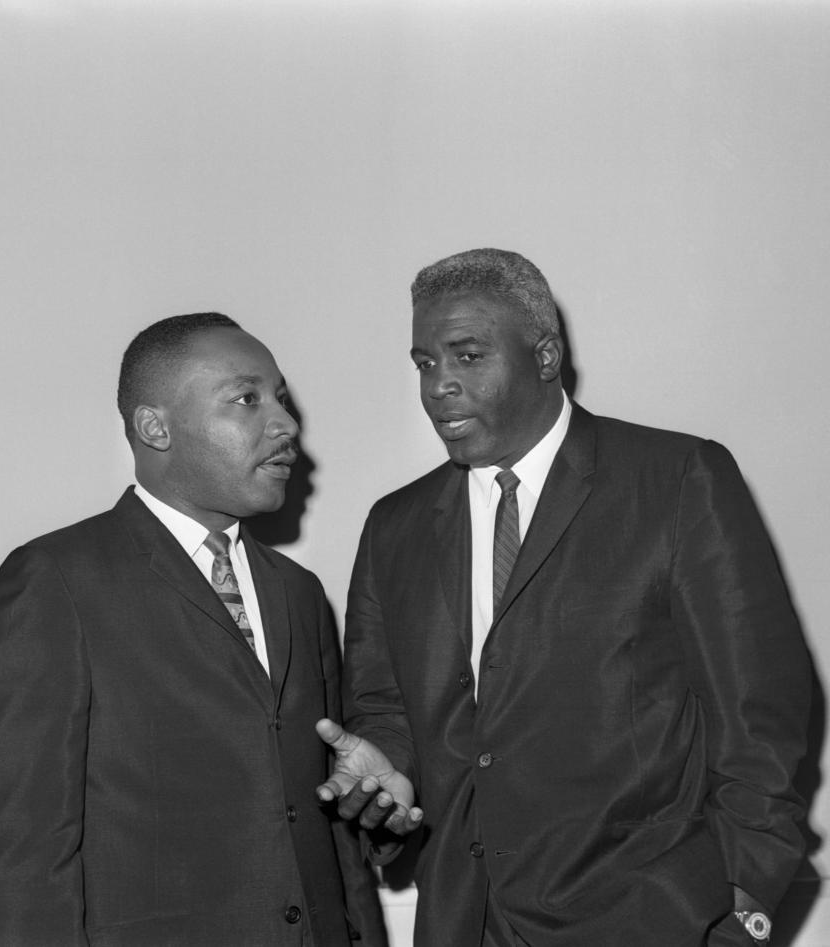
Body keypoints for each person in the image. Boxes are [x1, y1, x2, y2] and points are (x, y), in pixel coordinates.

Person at [316, 249, 811, 947]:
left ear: (544, 355)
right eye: (426, 363)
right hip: (462, 920)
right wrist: (388, 774)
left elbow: (762, 714)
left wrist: (743, 911)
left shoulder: (676, 481)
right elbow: (388, 709)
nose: (439, 387)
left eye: (467, 356)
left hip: (652, 919)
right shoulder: (395, 525)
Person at [0, 313, 387, 947]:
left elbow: (326, 826)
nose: (285, 424)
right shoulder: (56, 581)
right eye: (247, 399)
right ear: (154, 427)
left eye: (281, 398)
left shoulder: (298, 592)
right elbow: (22, 853)